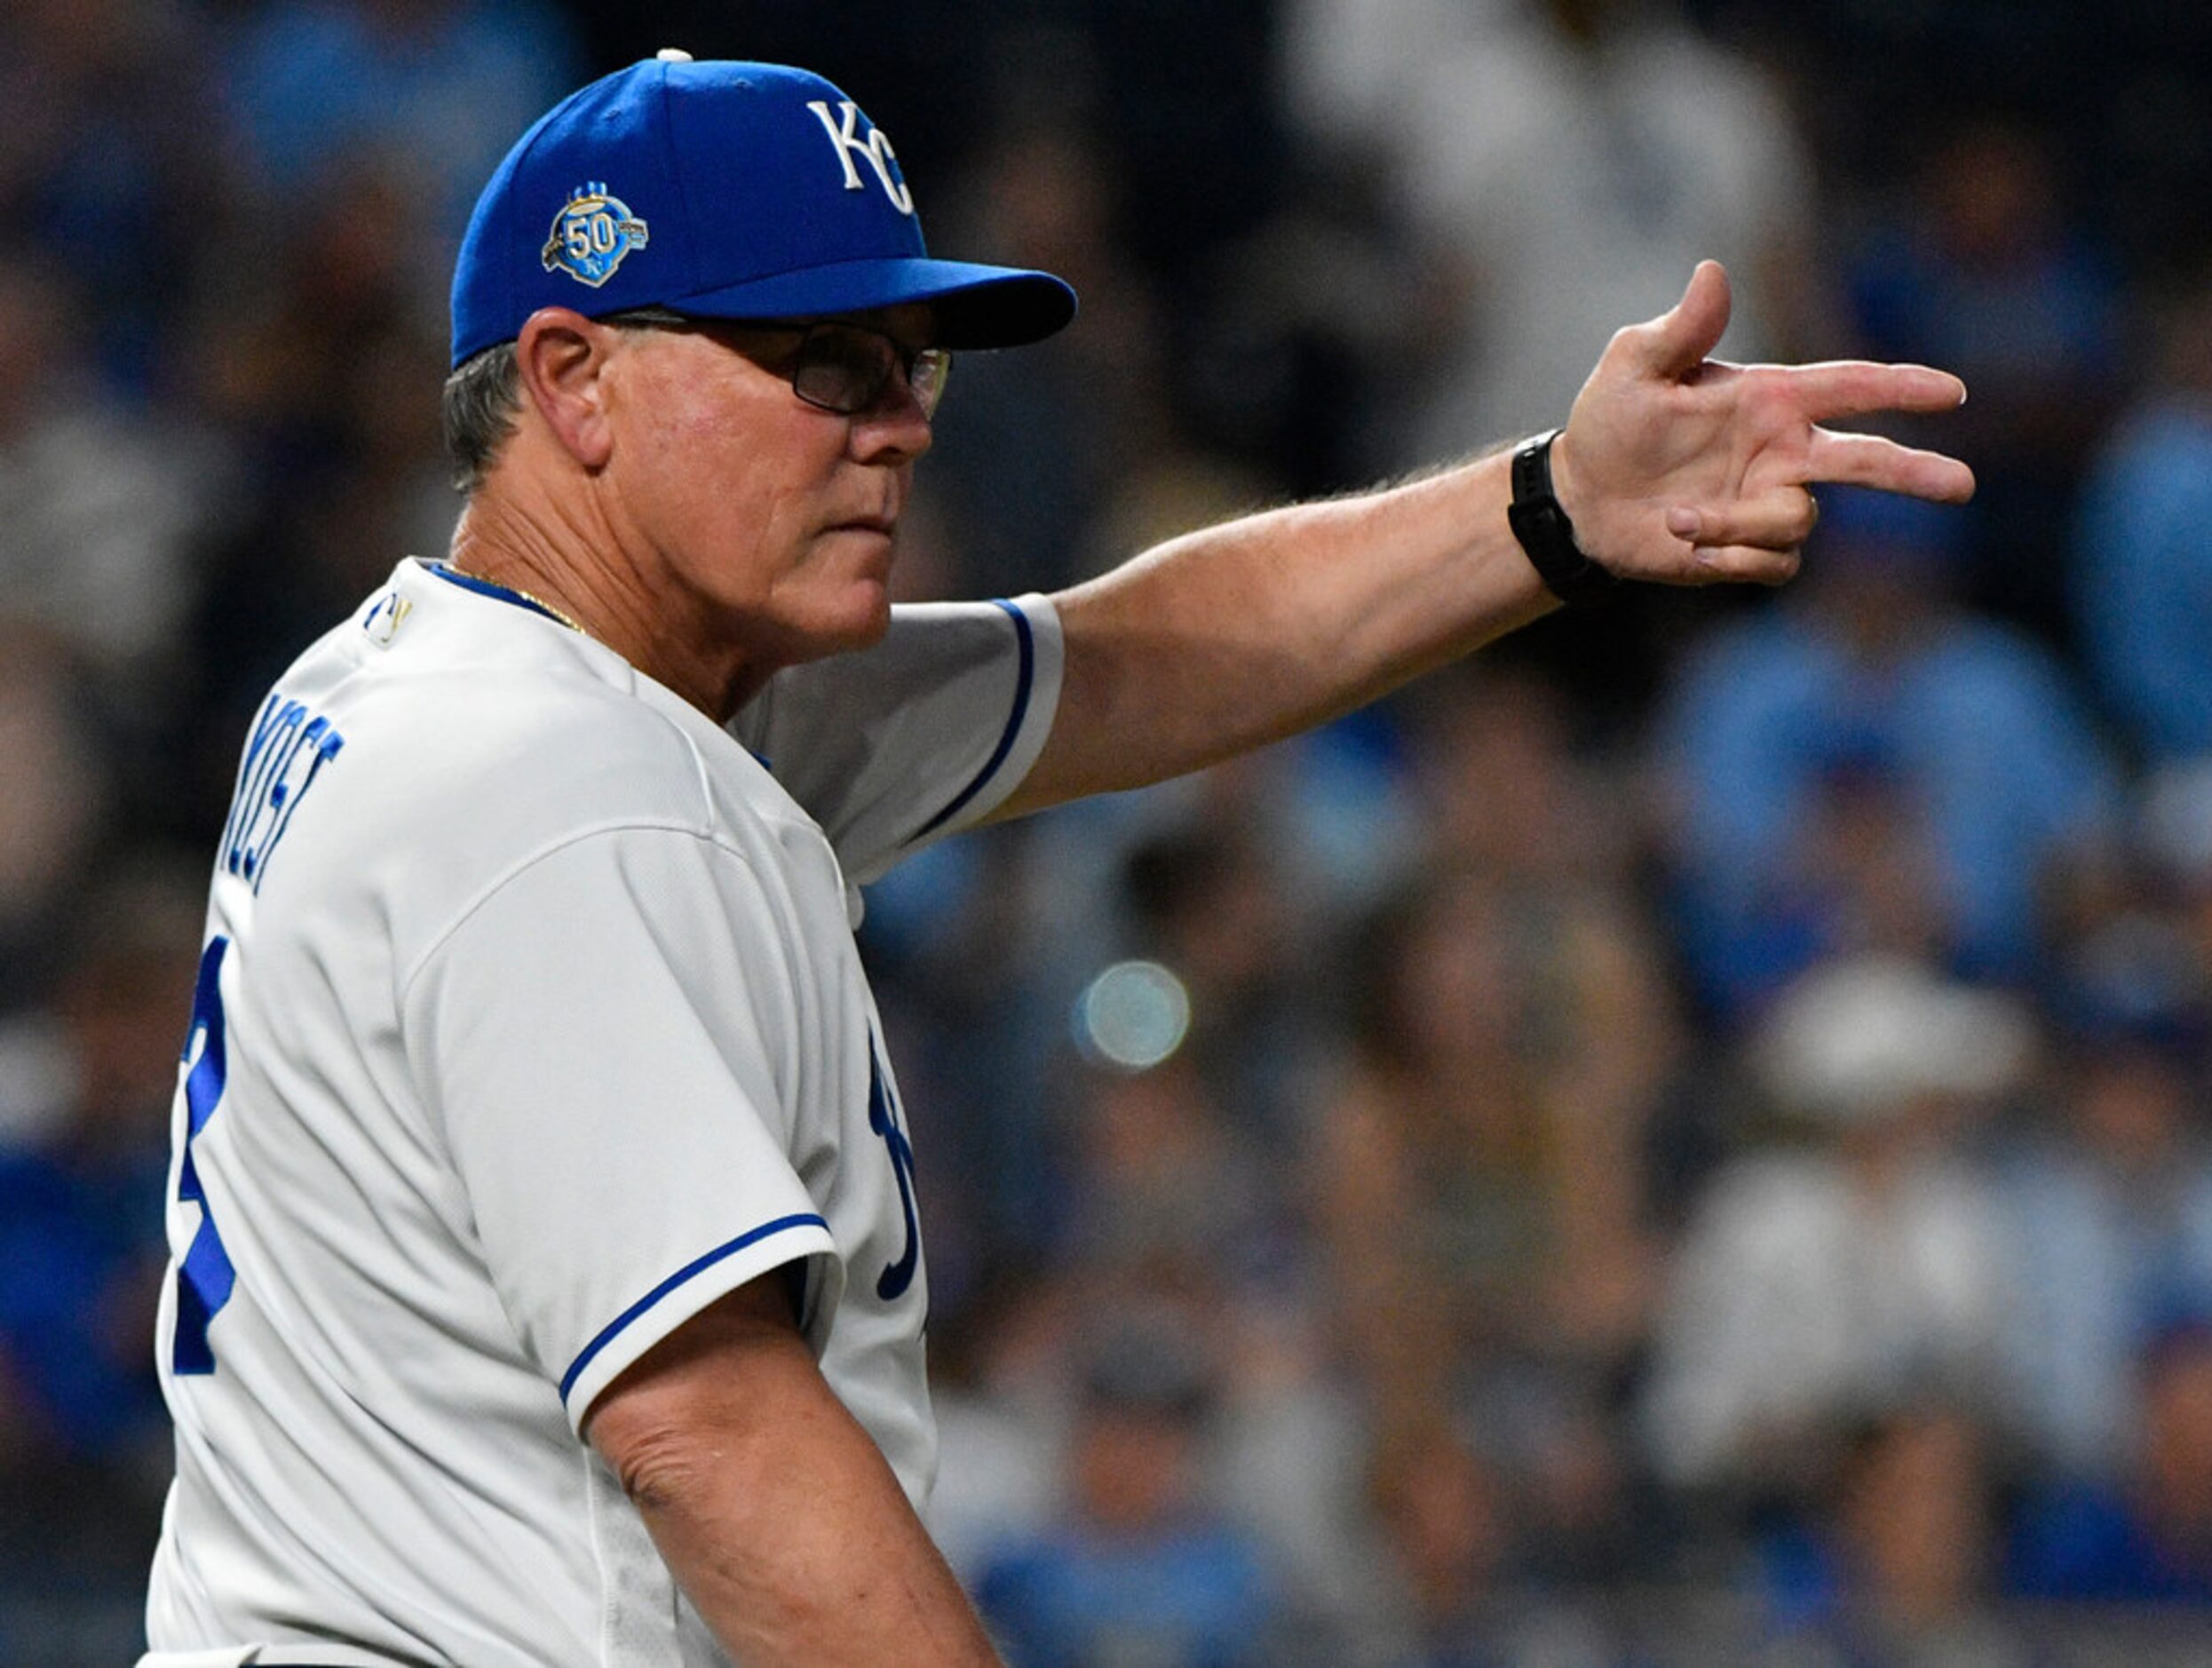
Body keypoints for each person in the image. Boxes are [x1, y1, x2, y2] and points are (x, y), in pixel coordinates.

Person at [139, 51, 1973, 1668]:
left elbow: (1120, 665)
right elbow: (716, 1437)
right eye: (823, 361)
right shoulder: (567, 793)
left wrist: (1546, 511)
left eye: (913, 360)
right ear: (574, 377)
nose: (903, 420)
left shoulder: (479, 678)